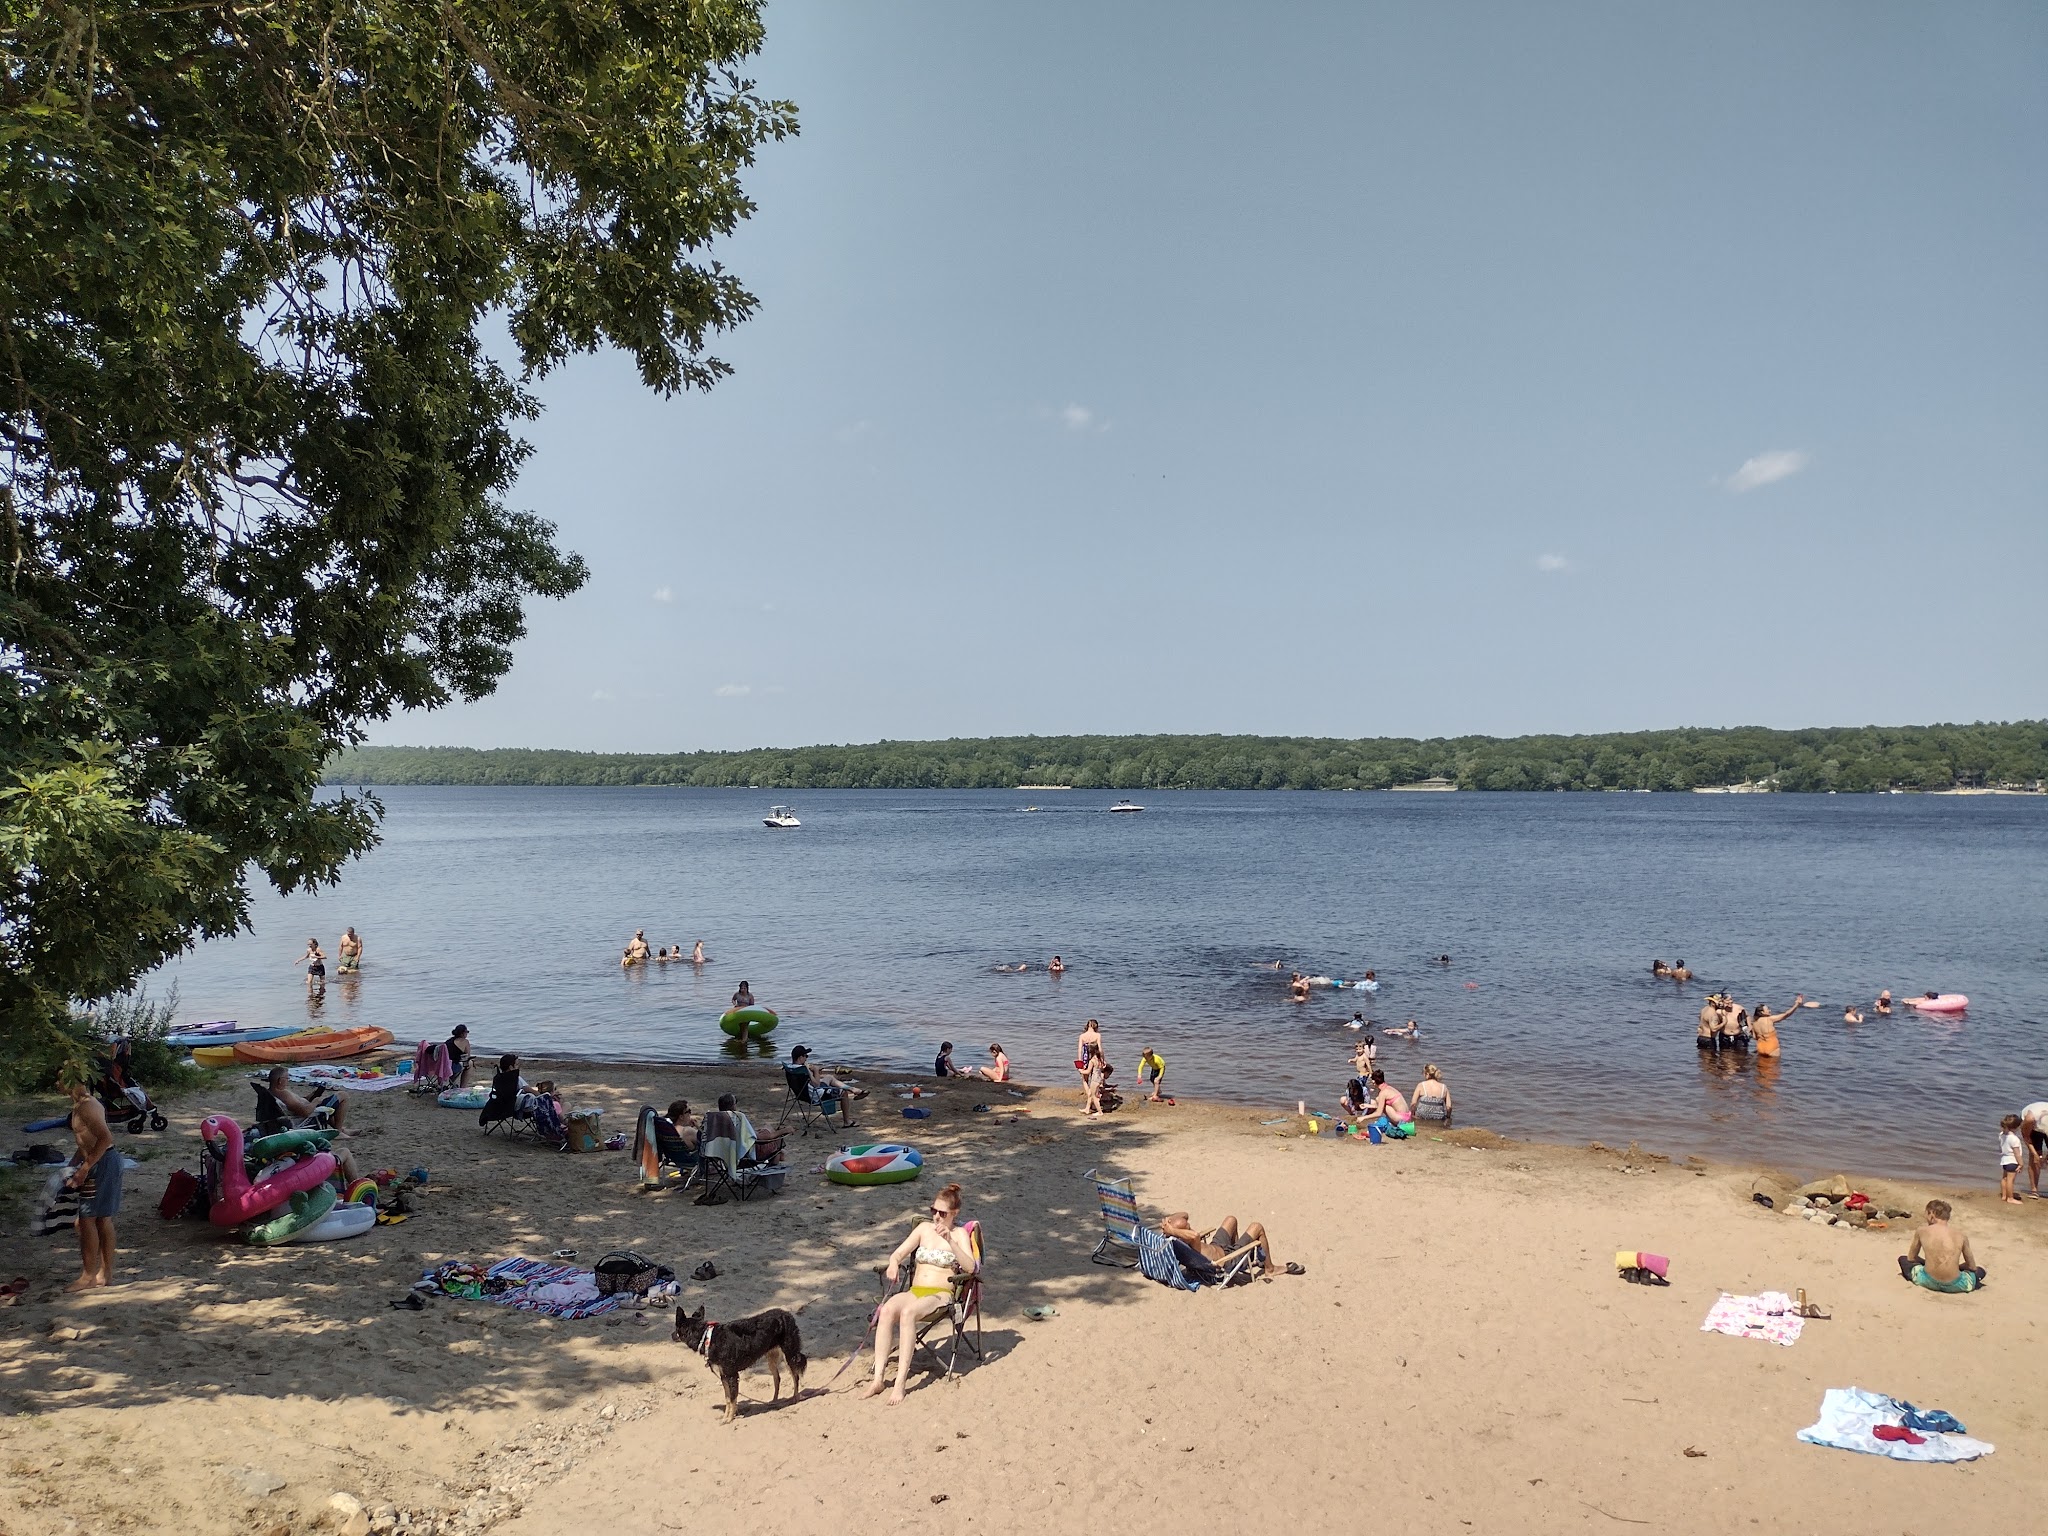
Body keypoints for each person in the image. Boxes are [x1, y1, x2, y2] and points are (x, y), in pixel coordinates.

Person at [863, 1183, 979, 1404]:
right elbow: (897, 1253)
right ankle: (878, 1379)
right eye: (933, 1210)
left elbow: (971, 1268)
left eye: (942, 1213)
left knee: (908, 1313)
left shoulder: (959, 1234)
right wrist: (893, 1264)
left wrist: (951, 1241)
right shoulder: (924, 1229)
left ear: (954, 1213)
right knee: (886, 1310)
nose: (936, 1216)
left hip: (941, 1293)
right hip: (915, 1290)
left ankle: (900, 1384)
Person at [63, 1074, 120, 1292]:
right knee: (99, 1219)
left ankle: (89, 1277)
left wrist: (84, 1170)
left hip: (102, 1163)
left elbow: (105, 1139)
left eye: (60, 1078)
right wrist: (71, 1167)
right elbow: (87, 1142)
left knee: (87, 1220)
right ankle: (104, 1274)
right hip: (98, 1161)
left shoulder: (87, 1106)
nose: (56, 1084)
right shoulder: (80, 1105)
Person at [1160, 1210, 1292, 1279]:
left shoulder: (1182, 1240)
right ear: (1180, 1234)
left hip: (1217, 1246)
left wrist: (1169, 1220)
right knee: (1257, 1227)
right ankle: (1270, 1269)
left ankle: (1242, 1256)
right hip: (1226, 1260)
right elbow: (1195, 1235)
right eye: (1188, 1228)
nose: (1191, 1228)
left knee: (1231, 1219)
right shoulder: (1189, 1240)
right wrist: (1172, 1230)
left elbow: (1185, 1214)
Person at [1896, 1200, 1985, 1293]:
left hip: (1927, 1280)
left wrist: (1925, 1262)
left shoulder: (1921, 1231)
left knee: (1903, 1259)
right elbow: (1972, 1267)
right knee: (1981, 1270)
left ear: (1931, 1215)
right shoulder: (1961, 1235)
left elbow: (1911, 1258)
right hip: (1956, 1285)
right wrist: (1958, 1267)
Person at [266, 1063, 350, 1136]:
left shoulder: (271, 1092)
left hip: (308, 1110)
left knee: (327, 1103)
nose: (288, 1080)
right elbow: (305, 1112)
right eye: (287, 1078)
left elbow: (297, 1104)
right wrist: (315, 1101)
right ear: (280, 1081)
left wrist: (312, 1095)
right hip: (309, 1118)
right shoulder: (284, 1095)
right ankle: (338, 1132)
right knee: (343, 1095)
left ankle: (341, 1129)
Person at [1364, 1069, 1411, 1133]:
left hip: (1400, 1119)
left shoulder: (1383, 1093)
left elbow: (1379, 1113)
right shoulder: (1389, 1088)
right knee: (1380, 1101)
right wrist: (1367, 1105)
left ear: (1374, 1081)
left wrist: (1363, 1118)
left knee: (1378, 1099)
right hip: (1407, 1117)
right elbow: (1381, 1106)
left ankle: (1392, 1123)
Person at [2021, 1101, 2048, 1197]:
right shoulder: (2030, 1119)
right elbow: (2026, 1138)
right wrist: (2036, 1154)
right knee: (2034, 1158)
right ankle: (2034, 1190)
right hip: (2032, 1127)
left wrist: (2046, 1158)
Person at [1999, 1114, 2023, 1205]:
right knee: (2010, 1180)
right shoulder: (2014, 1139)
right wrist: (2021, 1163)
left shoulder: (2002, 1135)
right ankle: (2010, 1198)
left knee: (2004, 1178)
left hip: (2004, 1160)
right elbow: (2017, 1153)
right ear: (2016, 1127)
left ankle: (2004, 1195)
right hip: (2012, 1161)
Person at [1079, 1041, 1107, 1118]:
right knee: (1092, 1094)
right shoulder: (1100, 1059)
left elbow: (1088, 1071)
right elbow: (1103, 1066)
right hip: (1099, 1079)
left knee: (1094, 1096)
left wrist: (1081, 1071)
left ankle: (1100, 1112)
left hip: (1094, 1080)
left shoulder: (1092, 1060)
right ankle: (1087, 1109)